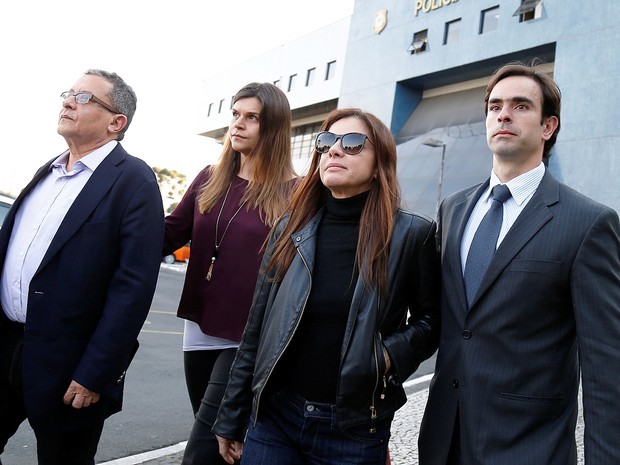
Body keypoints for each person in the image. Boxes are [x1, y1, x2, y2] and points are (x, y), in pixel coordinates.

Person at [418, 62, 620, 464]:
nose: (503, 113)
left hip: (528, 447)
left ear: (548, 126)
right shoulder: (454, 209)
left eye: (520, 105)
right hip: (441, 443)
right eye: (494, 106)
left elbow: (606, 370)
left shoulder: (588, 223)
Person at [213, 108, 440, 465]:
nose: (334, 150)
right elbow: (256, 330)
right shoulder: (290, 228)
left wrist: (385, 357)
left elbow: (431, 321)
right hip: (276, 418)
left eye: (352, 143)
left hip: (353, 427)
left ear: (380, 163)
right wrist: (232, 415)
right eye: (326, 142)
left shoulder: (412, 235)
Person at [0, 69, 164, 465]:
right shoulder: (49, 172)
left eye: (85, 97)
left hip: (69, 367)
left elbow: (133, 289)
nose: (68, 102)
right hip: (6, 345)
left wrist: (96, 373)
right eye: (68, 94)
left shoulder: (134, 182)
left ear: (116, 122)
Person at [163, 82, 297, 464]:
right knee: (222, 442)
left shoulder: (297, 192)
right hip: (200, 326)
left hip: (247, 337)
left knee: (203, 449)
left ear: (273, 127)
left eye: (251, 117)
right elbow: (169, 233)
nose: (238, 124)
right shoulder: (210, 177)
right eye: (235, 115)